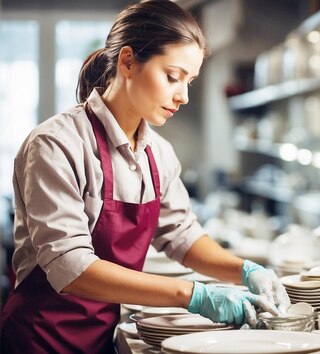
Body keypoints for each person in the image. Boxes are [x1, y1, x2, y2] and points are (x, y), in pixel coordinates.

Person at [0, 1, 289, 352]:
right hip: (39, 339)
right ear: (127, 62)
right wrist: (192, 294)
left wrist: (244, 269)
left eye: (190, 81)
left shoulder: (159, 154)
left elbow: (182, 235)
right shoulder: (57, 144)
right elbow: (69, 266)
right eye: (172, 76)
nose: (182, 96)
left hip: (101, 337)